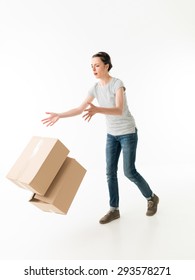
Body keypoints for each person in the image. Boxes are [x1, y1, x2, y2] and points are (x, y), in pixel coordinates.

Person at [42, 51, 159, 224]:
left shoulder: (117, 84)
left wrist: (97, 110)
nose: (94, 69)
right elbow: (79, 108)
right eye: (91, 66)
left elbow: (119, 109)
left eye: (97, 65)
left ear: (106, 66)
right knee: (110, 172)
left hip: (127, 132)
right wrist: (59, 115)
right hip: (112, 135)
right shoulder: (95, 88)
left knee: (129, 171)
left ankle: (151, 197)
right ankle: (114, 210)